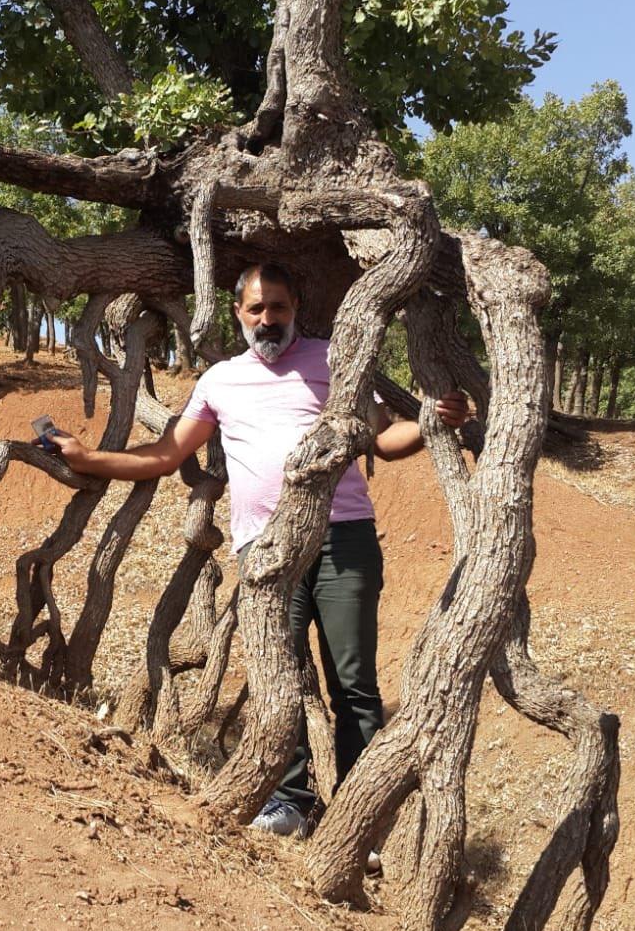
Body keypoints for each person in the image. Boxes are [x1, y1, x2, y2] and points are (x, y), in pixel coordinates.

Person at [51, 263, 469, 838]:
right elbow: (167, 454)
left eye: (278, 307)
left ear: (295, 306)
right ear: (238, 313)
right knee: (282, 677)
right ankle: (290, 802)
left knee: (353, 682)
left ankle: (362, 823)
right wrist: (88, 457)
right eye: (256, 309)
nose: (268, 319)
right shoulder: (220, 381)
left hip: (343, 536)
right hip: (265, 550)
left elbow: (381, 437)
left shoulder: (333, 360)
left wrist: (429, 423)